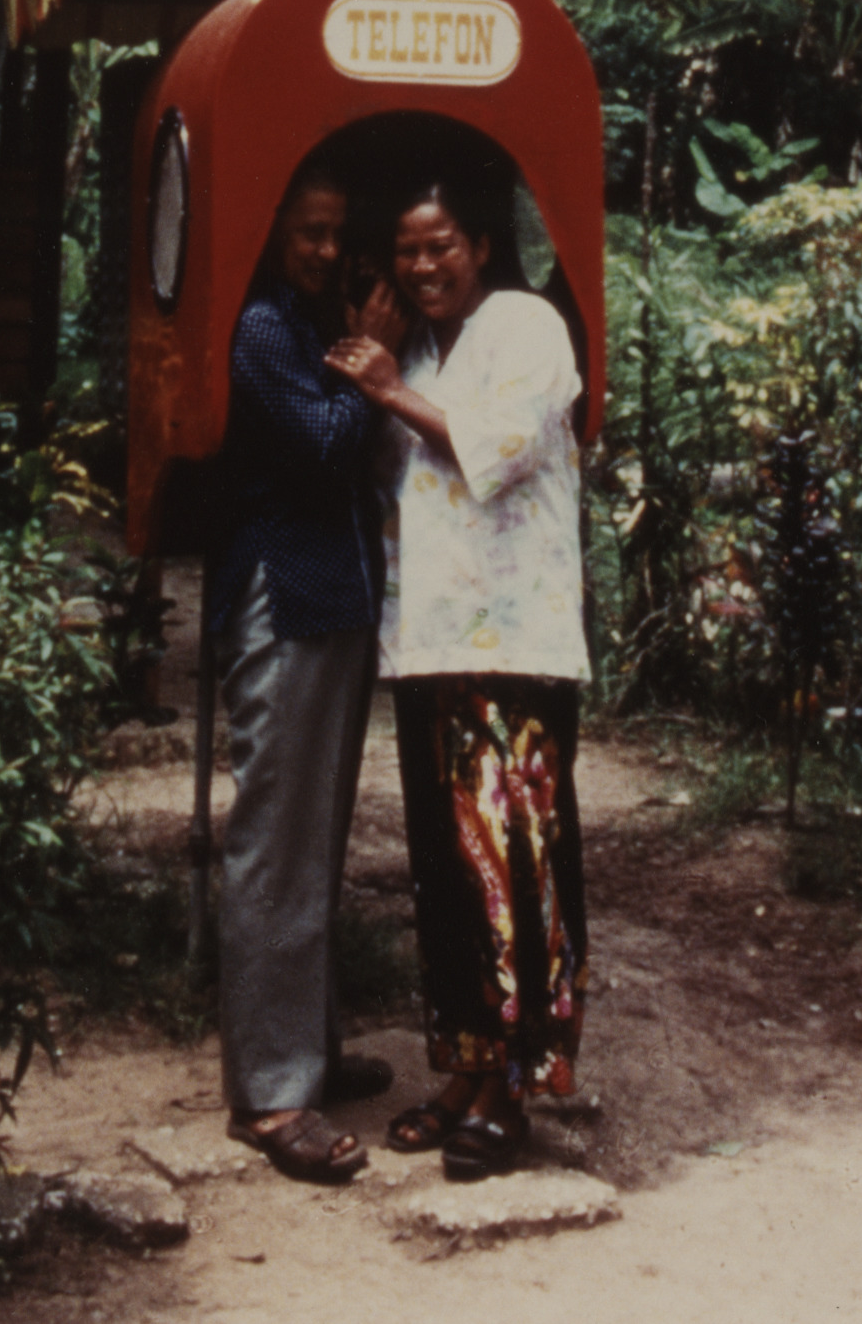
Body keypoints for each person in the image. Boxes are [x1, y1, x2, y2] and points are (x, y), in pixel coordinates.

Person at [324, 170, 588, 1183]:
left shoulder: (527, 324)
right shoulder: (422, 346)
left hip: (513, 652)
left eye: (440, 245)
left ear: (480, 243)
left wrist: (388, 386)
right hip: (431, 646)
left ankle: (514, 1084)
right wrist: (381, 368)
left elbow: (501, 446)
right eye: (407, 249)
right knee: (446, 872)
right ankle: (465, 1067)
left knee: (512, 870)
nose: (424, 265)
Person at [208, 159, 395, 1184]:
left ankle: (307, 1047)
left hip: (334, 598)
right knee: (277, 838)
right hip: (283, 594)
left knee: (314, 833)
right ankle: (274, 1094)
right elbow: (327, 445)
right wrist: (381, 364)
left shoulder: (316, 322)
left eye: (337, 231)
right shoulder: (263, 329)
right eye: (308, 231)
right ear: (275, 226)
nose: (324, 249)